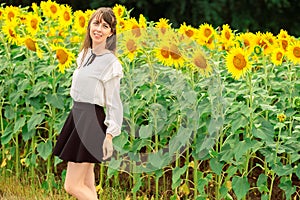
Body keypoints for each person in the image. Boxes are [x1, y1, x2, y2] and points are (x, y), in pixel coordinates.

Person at [53, 7, 123, 200]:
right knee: (86, 183)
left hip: (91, 121)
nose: (99, 29)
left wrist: (109, 136)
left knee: (72, 185)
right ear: (89, 26)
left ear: (111, 32)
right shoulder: (85, 55)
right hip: (78, 116)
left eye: (105, 25)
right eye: (96, 23)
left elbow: (114, 103)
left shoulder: (111, 63)